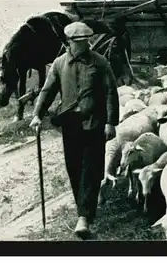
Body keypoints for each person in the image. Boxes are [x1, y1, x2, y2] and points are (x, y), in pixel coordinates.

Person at [29, 21, 119, 239]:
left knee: (91, 168)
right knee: (74, 168)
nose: (84, 45)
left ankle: (84, 218)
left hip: (95, 124)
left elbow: (110, 92)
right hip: (70, 125)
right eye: (79, 42)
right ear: (69, 42)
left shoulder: (100, 62)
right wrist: (37, 115)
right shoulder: (59, 64)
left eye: (86, 40)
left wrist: (110, 122)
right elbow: (47, 90)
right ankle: (84, 206)